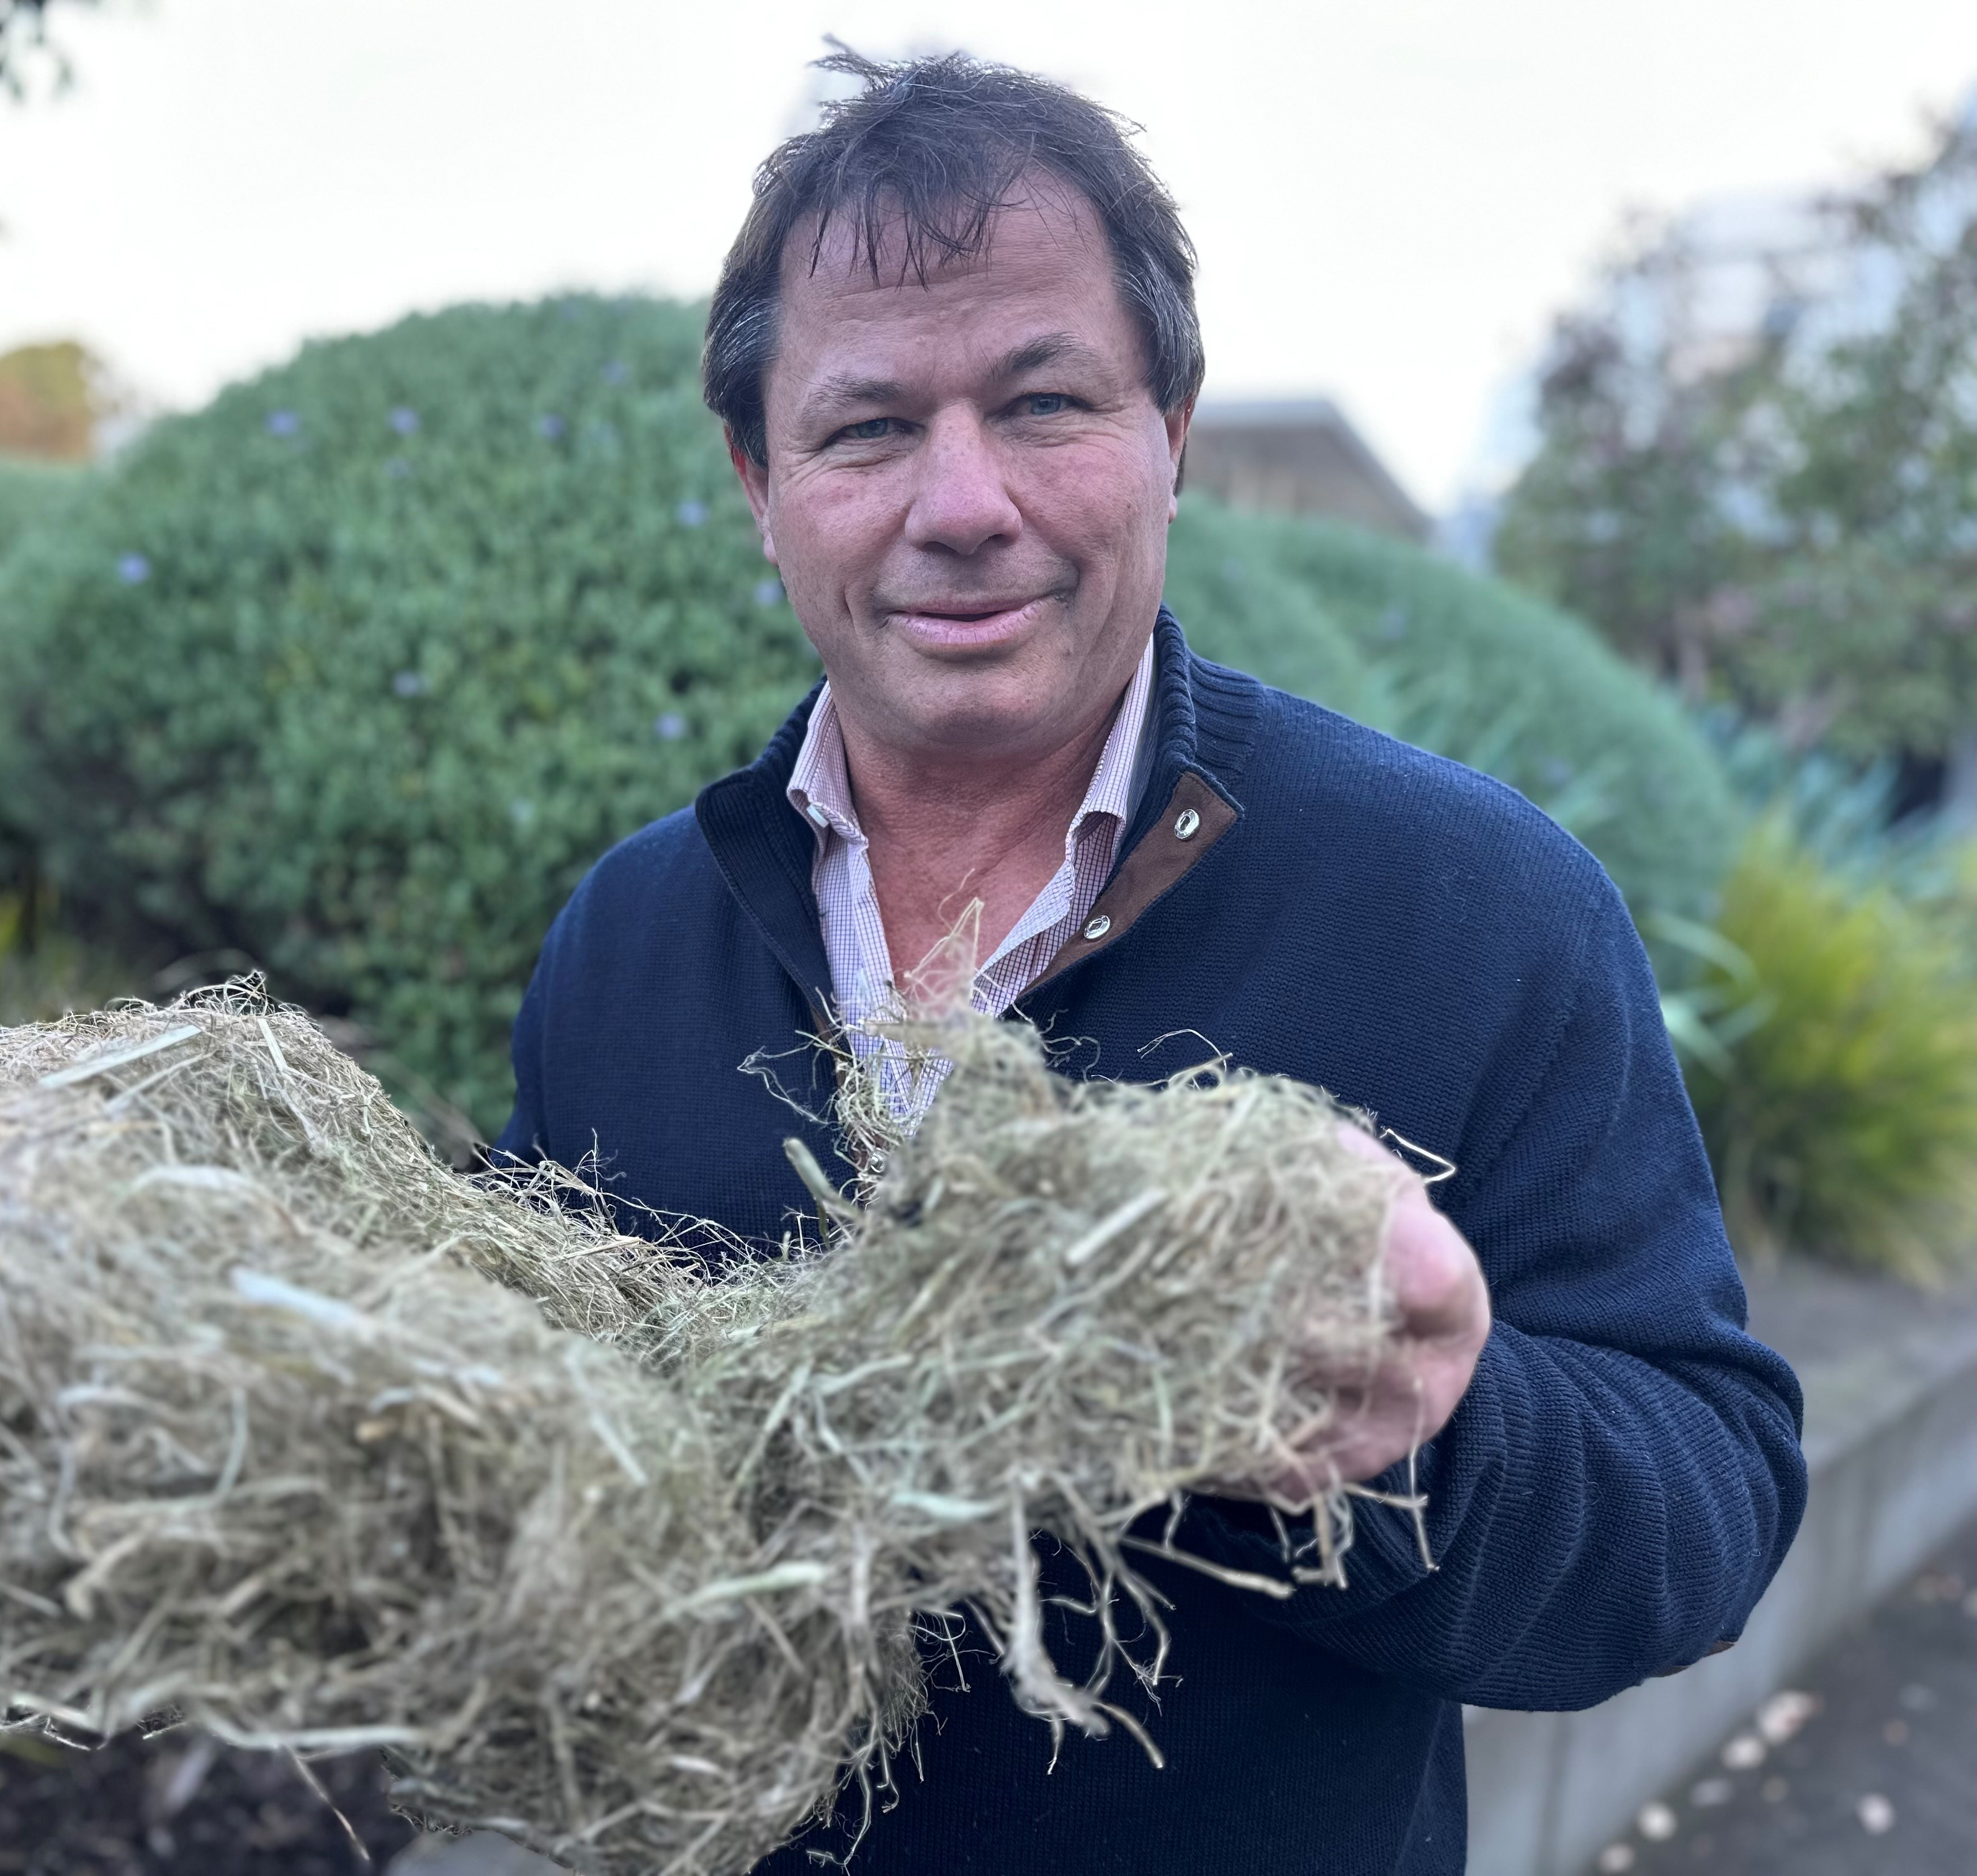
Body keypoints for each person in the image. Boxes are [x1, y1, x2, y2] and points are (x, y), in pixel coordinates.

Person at [498, 48, 1805, 1876]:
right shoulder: (632, 937)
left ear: (1172, 435)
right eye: (868, 429)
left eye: (1045, 402)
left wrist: (1423, 1440)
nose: (963, 502)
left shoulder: (1473, 903)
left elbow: (1706, 1506)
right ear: (759, 482)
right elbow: (521, 1413)